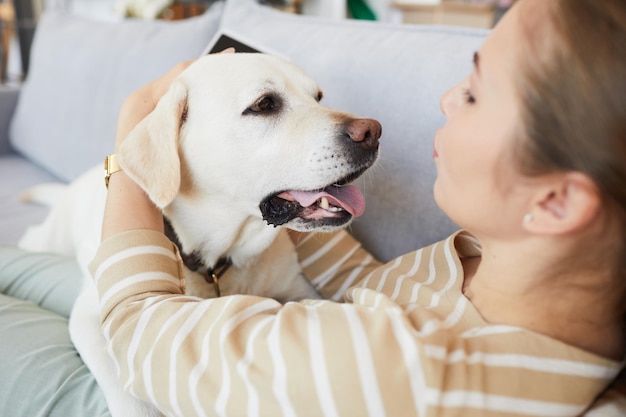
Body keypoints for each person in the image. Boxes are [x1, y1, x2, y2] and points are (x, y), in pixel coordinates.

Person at [92, 0, 626, 415]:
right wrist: (295, 186)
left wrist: (133, 147)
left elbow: (137, 331)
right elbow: (363, 283)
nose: (446, 98)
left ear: (556, 202)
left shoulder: (398, 374)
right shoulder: (488, 262)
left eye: (475, 93)